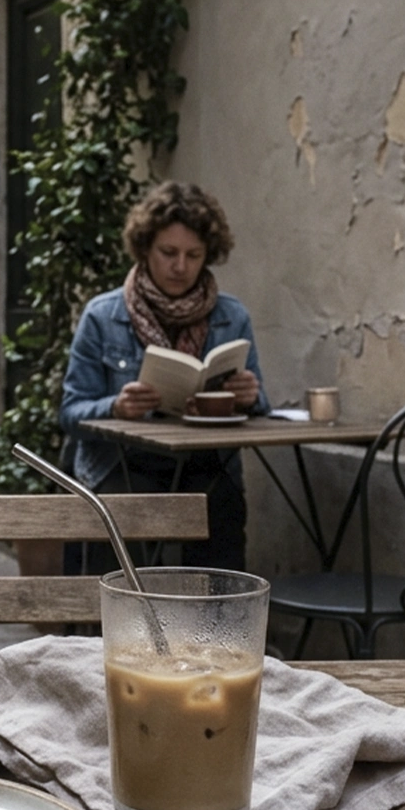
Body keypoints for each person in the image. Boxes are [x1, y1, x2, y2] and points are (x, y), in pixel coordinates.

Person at [59, 180, 269, 571]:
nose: (180, 267)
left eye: (194, 255)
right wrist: (117, 407)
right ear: (144, 248)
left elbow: (263, 408)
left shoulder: (231, 316)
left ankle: (215, 627)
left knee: (220, 511)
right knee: (126, 514)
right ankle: (124, 629)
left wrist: (248, 396)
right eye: (168, 252)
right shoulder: (103, 316)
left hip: (204, 465)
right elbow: (71, 413)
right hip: (123, 464)